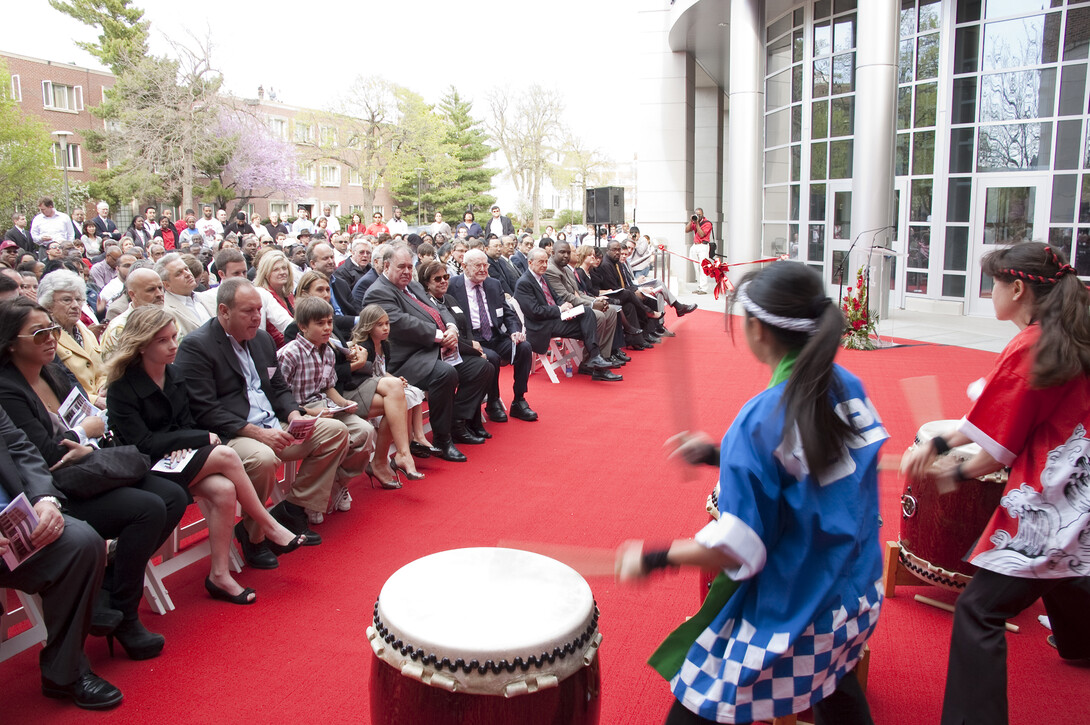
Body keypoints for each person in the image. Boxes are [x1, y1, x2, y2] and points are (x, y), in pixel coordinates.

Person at [616, 261, 885, 725]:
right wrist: (720, 454)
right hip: (856, 594)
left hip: (797, 610)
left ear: (757, 329)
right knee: (834, 681)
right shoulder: (845, 385)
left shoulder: (760, 419)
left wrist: (656, 558)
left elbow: (738, 548)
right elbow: (812, 461)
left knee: (702, 697)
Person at [900, 242, 1090, 725]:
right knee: (1068, 569)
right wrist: (943, 448)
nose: (990, 294)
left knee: (979, 611)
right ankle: (1082, 643)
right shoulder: (1074, 331)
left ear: (1018, 287)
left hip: (1057, 497)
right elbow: (993, 417)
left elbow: (998, 448)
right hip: (1082, 488)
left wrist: (952, 468)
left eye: (993, 285)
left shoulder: (1033, 343)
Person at [0, 298, 187, 662]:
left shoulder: (53, 371)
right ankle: (125, 614)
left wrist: (83, 438)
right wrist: (84, 435)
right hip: (58, 487)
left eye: (52, 329)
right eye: (39, 333)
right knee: (148, 507)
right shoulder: (7, 388)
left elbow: (85, 416)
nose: (52, 339)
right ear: (10, 342)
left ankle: (109, 588)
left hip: (89, 467)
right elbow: (45, 453)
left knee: (172, 496)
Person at [105, 307, 306, 605]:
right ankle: (269, 524)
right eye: (163, 341)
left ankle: (219, 575)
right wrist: (197, 438)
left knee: (225, 490)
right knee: (225, 454)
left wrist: (191, 439)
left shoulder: (174, 374)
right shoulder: (122, 388)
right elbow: (143, 443)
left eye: (174, 337)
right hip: (147, 469)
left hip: (179, 458)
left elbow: (185, 422)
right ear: (142, 344)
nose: (174, 345)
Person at [174, 279, 350, 550]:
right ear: (224, 311)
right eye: (248, 311)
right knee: (263, 458)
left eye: (259, 309)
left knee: (336, 432)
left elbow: (278, 386)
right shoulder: (198, 346)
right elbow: (204, 409)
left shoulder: (262, 339)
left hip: (273, 423)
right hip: (232, 433)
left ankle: (292, 509)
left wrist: (293, 414)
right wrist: (257, 433)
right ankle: (253, 535)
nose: (258, 317)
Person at [0, 405, 123, 710]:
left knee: (81, 543)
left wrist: (45, 499)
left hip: (14, 521)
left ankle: (65, 672)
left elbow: (19, 447)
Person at [362, 246, 491, 462]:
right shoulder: (379, 291)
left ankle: (457, 423)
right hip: (408, 359)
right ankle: (442, 438)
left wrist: (451, 328)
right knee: (445, 374)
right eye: (400, 267)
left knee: (482, 368)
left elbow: (439, 308)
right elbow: (403, 324)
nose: (406, 271)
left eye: (409, 267)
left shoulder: (412, 285)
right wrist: (441, 336)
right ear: (386, 266)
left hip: (437, 348)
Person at [276, 296, 377, 507]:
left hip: (323, 405)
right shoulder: (289, 354)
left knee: (365, 431)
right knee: (337, 431)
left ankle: (337, 481)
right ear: (303, 326)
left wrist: (343, 404)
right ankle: (309, 500)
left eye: (329, 322)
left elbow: (328, 386)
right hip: (296, 411)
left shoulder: (329, 351)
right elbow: (278, 395)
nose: (327, 328)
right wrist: (309, 412)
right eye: (320, 323)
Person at [448, 251, 538, 423]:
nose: (483, 269)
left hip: (495, 335)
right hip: (471, 339)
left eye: (486, 265)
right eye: (478, 265)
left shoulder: (493, 284)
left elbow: (508, 313)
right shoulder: (453, 285)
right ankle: (493, 401)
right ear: (465, 266)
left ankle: (519, 399)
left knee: (524, 347)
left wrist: (514, 331)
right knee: (492, 358)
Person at [513, 248, 622, 382]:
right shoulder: (524, 283)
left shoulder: (543, 277)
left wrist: (566, 306)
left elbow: (556, 298)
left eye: (546, 262)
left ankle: (595, 358)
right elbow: (535, 312)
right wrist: (559, 309)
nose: (544, 265)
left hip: (556, 319)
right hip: (542, 326)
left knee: (587, 313)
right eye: (541, 262)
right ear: (530, 262)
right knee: (591, 325)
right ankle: (596, 362)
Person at [38, 270, 108, 406]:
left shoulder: (85, 331)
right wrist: (94, 400)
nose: (75, 305)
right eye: (67, 300)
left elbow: (102, 368)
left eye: (78, 299)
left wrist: (104, 387)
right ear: (48, 305)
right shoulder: (47, 338)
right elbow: (58, 383)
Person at [253, 250, 295, 348]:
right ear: (265, 273)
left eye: (284, 268)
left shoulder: (289, 295)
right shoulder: (261, 295)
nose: (282, 272)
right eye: (275, 270)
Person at [685, 209, 713, 295]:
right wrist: (691, 221)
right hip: (695, 246)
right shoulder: (694, 221)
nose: (698, 216)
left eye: (699, 215)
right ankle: (699, 286)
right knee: (696, 268)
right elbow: (686, 230)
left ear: (703, 215)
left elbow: (702, 234)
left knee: (703, 268)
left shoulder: (707, 223)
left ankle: (704, 288)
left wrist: (697, 223)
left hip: (703, 246)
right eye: (696, 214)